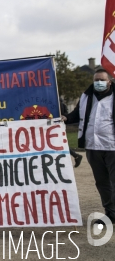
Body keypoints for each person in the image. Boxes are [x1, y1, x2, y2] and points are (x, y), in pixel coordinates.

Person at [63, 69, 115, 225]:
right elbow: (76, 114)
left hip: (112, 146)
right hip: (92, 146)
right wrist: (65, 118)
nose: (98, 83)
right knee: (102, 182)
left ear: (109, 82)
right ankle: (111, 214)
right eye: (96, 80)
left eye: (102, 80)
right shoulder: (86, 96)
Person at [61, 100, 83, 168]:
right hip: (60, 125)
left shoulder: (58, 103)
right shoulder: (61, 103)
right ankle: (76, 156)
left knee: (60, 144)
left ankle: (76, 155)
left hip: (57, 126)